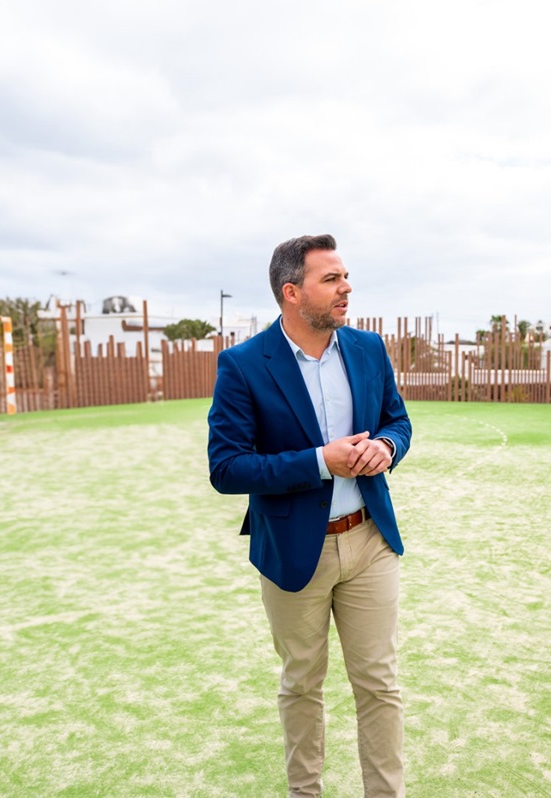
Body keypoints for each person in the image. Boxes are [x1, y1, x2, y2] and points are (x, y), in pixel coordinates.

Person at [207, 234, 411, 797]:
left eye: (345, 277)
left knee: (380, 683)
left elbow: (398, 421)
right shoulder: (244, 365)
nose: (346, 288)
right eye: (331, 279)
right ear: (292, 292)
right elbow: (226, 468)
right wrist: (321, 462)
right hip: (297, 551)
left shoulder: (369, 350)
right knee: (301, 685)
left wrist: (388, 448)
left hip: (369, 541)